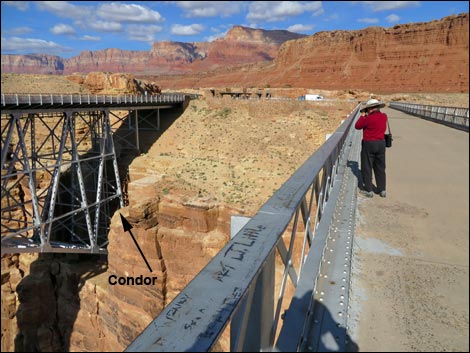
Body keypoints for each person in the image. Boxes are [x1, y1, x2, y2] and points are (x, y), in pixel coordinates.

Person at [355, 98, 388, 198]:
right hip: (381, 144)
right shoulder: (384, 117)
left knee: (367, 167)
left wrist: (362, 116)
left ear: (370, 109)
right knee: (380, 168)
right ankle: (382, 190)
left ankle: (369, 190)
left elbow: (357, 126)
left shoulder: (368, 119)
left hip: (369, 144)